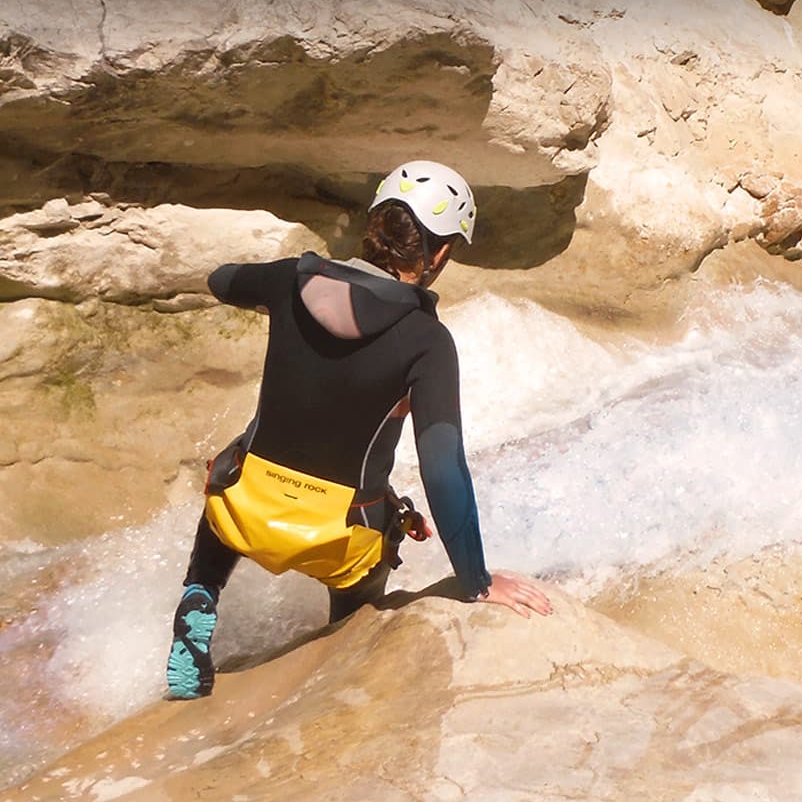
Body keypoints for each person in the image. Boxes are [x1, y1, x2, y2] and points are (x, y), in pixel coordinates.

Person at [166, 160, 552, 700]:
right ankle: (341, 650)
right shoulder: (427, 343)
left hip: (242, 514)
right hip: (336, 542)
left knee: (235, 461)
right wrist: (478, 582)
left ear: (375, 226)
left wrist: (280, 296)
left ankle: (200, 597)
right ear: (439, 253)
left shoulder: (289, 279)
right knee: (379, 523)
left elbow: (220, 280)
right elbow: (443, 468)